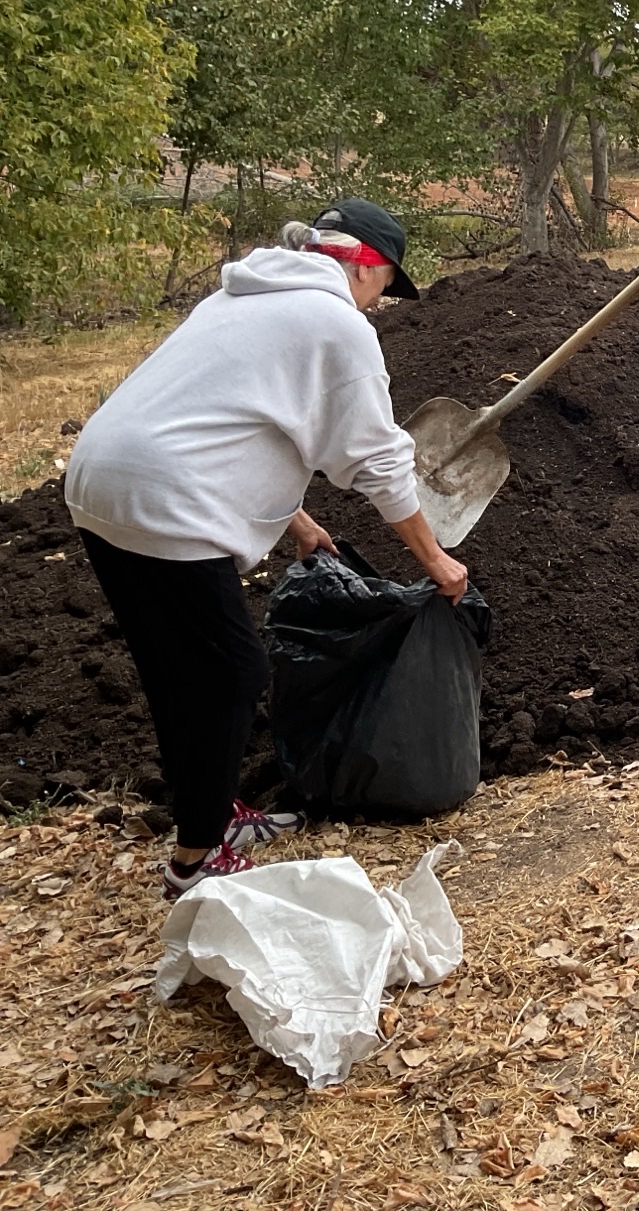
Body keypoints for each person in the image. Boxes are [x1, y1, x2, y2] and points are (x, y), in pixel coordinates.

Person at [63, 199, 470, 899]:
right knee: (230, 677)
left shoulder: (240, 295)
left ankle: (210, 815)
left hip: (103, 483)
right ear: (367, 266)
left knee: (177, 675)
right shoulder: (337, 324)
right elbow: (376, 460)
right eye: (384, 287)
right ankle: (194, 861)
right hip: (168, 503)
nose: (378, 304)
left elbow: (231, 418)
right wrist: (436, 561)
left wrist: (297, 519)